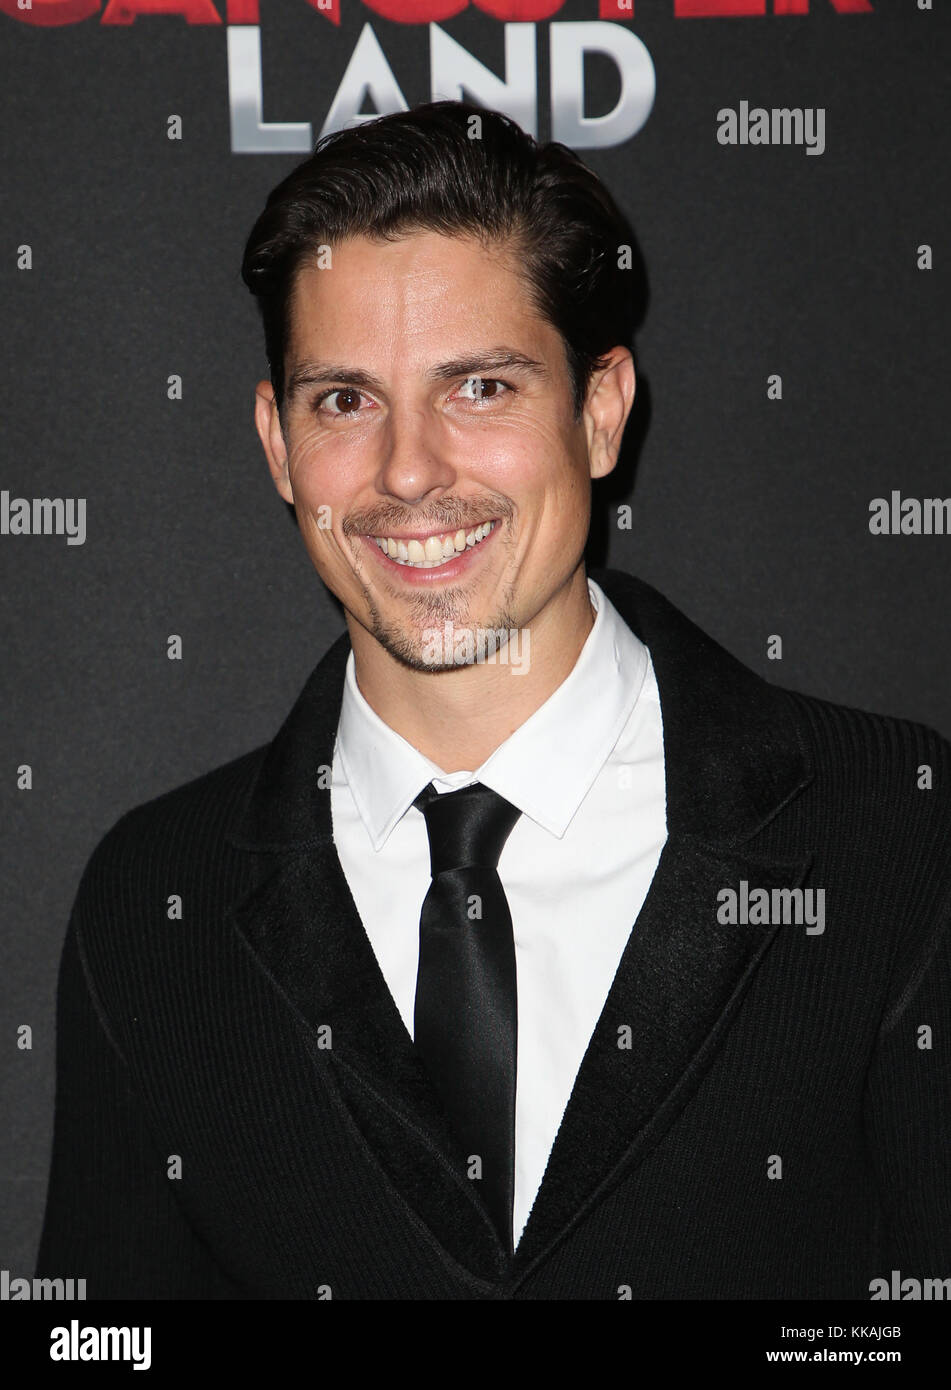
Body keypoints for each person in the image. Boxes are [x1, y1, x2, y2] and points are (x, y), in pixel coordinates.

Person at [36, 100, 951, 1300]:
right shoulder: (157, 901)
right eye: (345, 401)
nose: (409, 470)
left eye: (478, 387)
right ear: (276, 442)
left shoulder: (893, 834)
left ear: (601, 410)